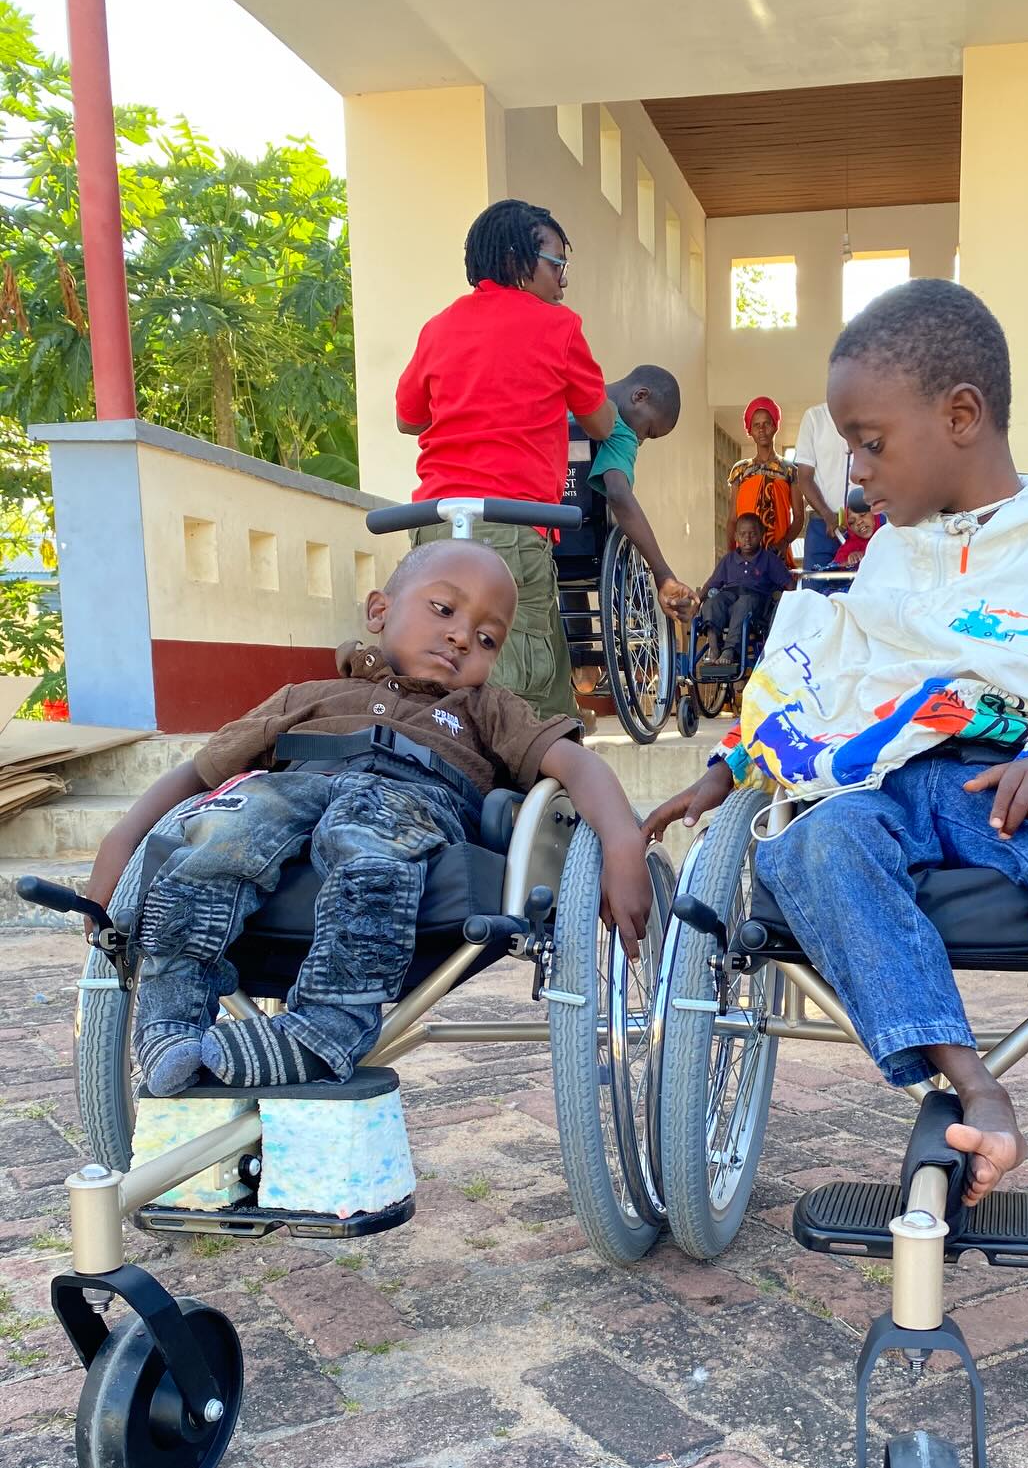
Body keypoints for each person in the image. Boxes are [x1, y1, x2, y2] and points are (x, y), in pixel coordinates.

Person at [642, 280, 1028, 1314]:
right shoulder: (893, 559)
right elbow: (840, 684)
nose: (853, 474)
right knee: (811, 850)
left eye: (868, 442)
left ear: (960, 416)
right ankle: (971, 1081)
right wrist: (733, 764)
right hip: (902, 787)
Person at [85, 543, 652, 1098]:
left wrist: (623, 843)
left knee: (365, 834)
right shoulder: (306, 696)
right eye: (443, 610)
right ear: (379, 610)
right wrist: (119, 842)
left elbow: (577, 764)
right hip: (292, 790)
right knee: (222, 830)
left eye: (486, 639)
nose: (461, 637)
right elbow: (198, 775)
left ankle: (324, 1028)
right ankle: (171, 1024)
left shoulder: (486, 708)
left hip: (411, 798)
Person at [395, 199, 616, 723]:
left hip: (435, 528)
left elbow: (409, 420)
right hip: (512, 528)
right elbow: (601, 423)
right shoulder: (558, 328)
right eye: (557, 265)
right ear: (520, 261)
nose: (563, 281)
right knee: (514, 694)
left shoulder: (439, 327)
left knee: (434, 678)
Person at [587, 366, 695, 621]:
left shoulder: (569, 394)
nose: (641, 441)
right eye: (648, 431)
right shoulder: (620, 431)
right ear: (640, 396)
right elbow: (618, 495)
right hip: (578, 541)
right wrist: (662, 573)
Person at [695, 512, 792, 673]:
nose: (747, 539)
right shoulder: (729, 560)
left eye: (752, 534)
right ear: (736, 537)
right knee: (713, 602)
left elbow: (789, 585)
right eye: (743, 534)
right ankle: (713, 647)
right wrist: (696, 602)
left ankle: (729, 650)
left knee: (744, 603)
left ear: (761, 534)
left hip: (756, 604)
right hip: (730, 598)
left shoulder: (769, 559)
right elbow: (710, 584)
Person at [727, 397, 801, 556]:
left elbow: (799, 517)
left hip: (778, 555)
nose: (762, 429)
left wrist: (784, 543)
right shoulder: (740, 470)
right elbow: (733, 519)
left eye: (767, 423)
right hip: (746, 555)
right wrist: (730, 557)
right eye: (756, 425)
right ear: (750, 430)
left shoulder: (790, 470)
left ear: (775, 426)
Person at [794, 398, 852, 588]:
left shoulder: (870, 416)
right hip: (823, 526)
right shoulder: (814, 417)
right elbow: (804, 478)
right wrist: (827, 515)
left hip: (863, 526)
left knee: (860, 596)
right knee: (815, 596)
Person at [831, 505, 881, 574]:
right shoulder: (848, 547)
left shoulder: (889, 536)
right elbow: (833, 569)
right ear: (850, 528)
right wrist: (849, 562)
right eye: (852, 522)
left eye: (862, 515)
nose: (859, 522)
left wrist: (865, 555)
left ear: (874, 514)